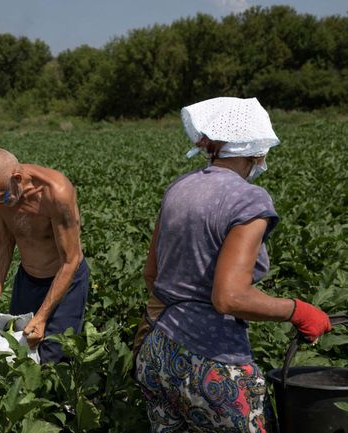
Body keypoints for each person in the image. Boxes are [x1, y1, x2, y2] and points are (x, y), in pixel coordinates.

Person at [135, 97, 332, 432]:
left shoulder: (179, 187)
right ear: (257, 150)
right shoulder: (248, 199)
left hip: (157, 353)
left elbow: (151, 274)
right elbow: (229, 298)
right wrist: (297, 310)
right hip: (212, 364)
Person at [0, 148, 88, 363]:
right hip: (28, 278)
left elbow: (70, 260)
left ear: (17, 178)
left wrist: (41, 317)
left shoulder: (55, 193)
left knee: (55, 356)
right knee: (19, 350)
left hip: (65, 280)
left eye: (2, 197)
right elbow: (3, 241)